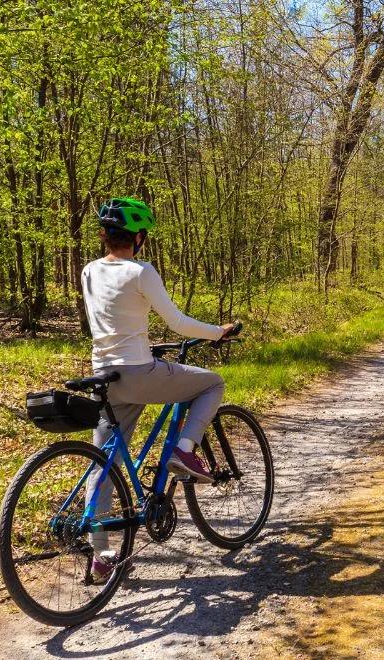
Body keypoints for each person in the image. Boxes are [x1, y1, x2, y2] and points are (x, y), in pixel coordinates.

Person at [82, 197, 237, 580]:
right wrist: (217, 332)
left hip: (104, 374)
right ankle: (183, 452)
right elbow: (177, 322)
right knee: (212, 383)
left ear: (105, 236)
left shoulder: (88, 271)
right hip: (138, 372)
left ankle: (100, 553)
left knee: (103, 462)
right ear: (137, 238)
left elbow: (114, 322)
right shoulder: (141, 271)